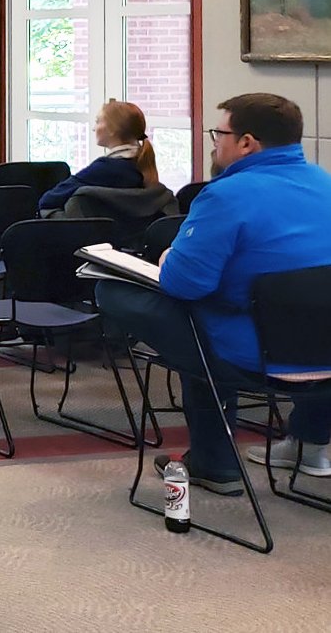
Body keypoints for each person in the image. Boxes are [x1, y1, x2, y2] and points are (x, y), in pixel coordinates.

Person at [97, 93, 331, 495]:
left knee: (122, 293)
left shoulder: (226, 195)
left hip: (257, 353)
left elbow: (185, 283)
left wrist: (170, 255)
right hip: (324, 349)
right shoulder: (325, 183)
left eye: (219, 132)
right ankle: (310, 444)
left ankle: (215, 463)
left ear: (247, 143)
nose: (213, 142)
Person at [38, 99, 157, 213]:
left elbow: (48, 200)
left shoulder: (104, 169)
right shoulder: (141, 163)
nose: (94, 128)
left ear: (112, 129)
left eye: (98, 121)